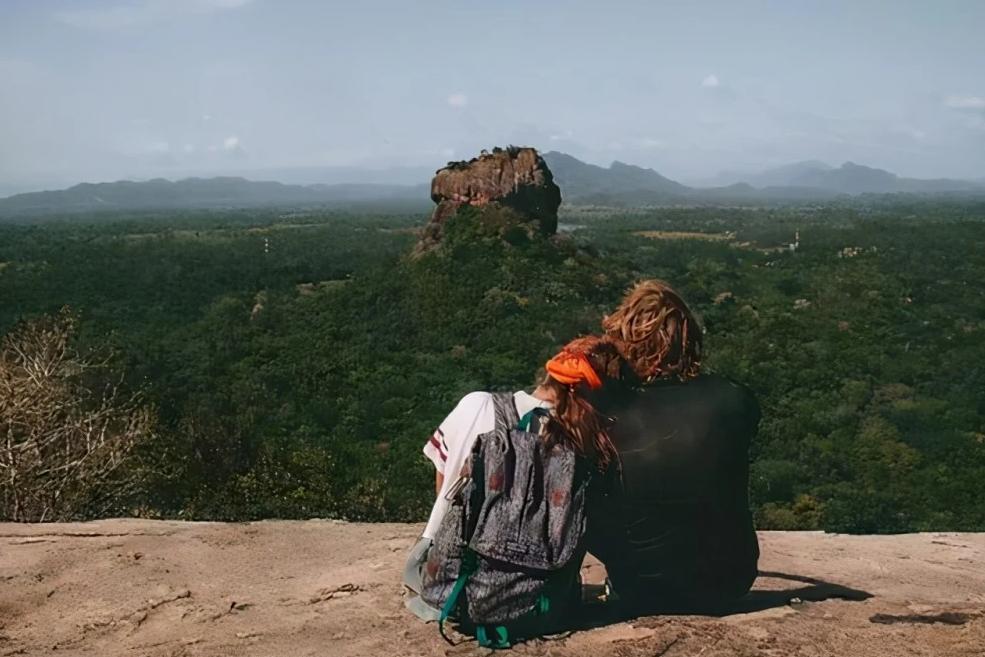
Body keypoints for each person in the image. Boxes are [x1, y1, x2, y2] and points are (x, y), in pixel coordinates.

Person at [403, 336, 622, 622]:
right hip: (543, 597)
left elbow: (444, 486)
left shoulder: (477, 405)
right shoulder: (586, 448)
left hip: (447, 583)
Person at [585, 280, 761, 613]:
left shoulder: (605, 410)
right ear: (689, 338)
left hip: (640, 585)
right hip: (730, 580)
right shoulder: (735, 399)